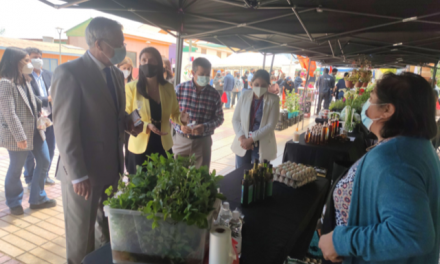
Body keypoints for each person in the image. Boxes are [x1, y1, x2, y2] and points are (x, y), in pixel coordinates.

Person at [318, 73, 440, 264]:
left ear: (387, 110)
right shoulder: (415, 147)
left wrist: (340, 241)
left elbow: (412, 235)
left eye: (372, 98)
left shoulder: (396, 159)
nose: (367, 103)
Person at [51, 17, 143, 264]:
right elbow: (65, 127)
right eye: (119, 43)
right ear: (99, 44)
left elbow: (114, 114)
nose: (123, 48)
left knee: (107, 231)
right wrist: (77, 174)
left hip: (112, 168)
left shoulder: (115, 74)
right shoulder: (69, 73)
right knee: (81, 238)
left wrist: (128, 121)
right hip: (85, 174)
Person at [0, 47, 56, 215]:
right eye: (26, 60)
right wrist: (19, 136)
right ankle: (14, 202)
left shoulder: (25, 79)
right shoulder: (5, 83)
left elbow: (32, 100)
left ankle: (37, 198)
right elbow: (9, 113)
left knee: (45, 160)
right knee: (16, 169)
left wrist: (40, 109)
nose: (30, 63)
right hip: (19, 134)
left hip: (35, 130)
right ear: (14, 62)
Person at [125, 47, 189, 174]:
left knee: (164, 187)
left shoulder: (168, 88)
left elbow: (174, 113)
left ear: (159, 64)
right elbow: (127, 115)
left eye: (152, 60)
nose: (147, 63)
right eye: (144, 60)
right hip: (140, 147)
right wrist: (146, 126)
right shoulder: (131, 87)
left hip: (163, 145)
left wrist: (181, 119)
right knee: (140, 189)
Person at [173, 58, 224, 169]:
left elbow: (219, 118)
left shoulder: (214, 94)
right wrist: (180, 125)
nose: (205, 77)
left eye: (207, 75)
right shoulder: (180, 89)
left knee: (200, 179)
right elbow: (170, 114)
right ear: (193, 73)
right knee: (178, 177)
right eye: (202, 74)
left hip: (202, 142)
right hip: (181, 140)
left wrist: (205, 127)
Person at [232, 69, 279, 168]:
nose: (259, 87)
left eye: (263, 85)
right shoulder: (244, 95)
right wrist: (242, 138)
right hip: (243, 142)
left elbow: (271, 125)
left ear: (268, 86)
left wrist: (252, 139)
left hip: (261, 143)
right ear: (251, 84)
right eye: (256, 84)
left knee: (259, 176)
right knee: (240, 173)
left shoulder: (273, 99)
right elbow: (235, 119)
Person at [23, 47, 56, 188]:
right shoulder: (24, 76)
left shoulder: (49, 74)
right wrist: (47, 99)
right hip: (33, 120)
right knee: (30, 153)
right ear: (28, 59)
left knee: (50, 148)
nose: (38, 60)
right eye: (34, 57)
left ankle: (44, 174)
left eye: (40, 57)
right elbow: (29, 97)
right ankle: (30, 179)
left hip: (49, 119)